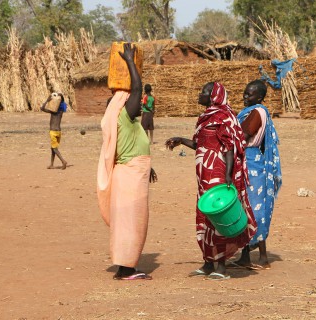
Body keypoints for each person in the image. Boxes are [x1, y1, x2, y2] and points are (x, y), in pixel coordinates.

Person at [165, 82, 257, 280]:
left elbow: (230, 148)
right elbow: (199, 144)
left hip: (217, 173)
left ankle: (221, 267)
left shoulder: (224, 117)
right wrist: (181, 140)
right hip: (203, 177)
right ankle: (208, 263)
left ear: (214, 95)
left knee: (218, 219)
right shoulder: (206, 118)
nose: (200, 94)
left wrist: (227, 176)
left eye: (204, 91)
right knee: (205, 219)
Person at [97, 43, 157, 281]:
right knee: (132, 222)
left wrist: (149, 166)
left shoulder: (122, 121)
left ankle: (124, 266)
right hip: (131, 175)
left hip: (131, 172)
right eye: (134, 101)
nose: (139, 103)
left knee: (126, 221)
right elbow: (137, 88)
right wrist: (131, 61)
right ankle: (127, 270)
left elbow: (133, 144)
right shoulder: (125, 114)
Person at [231, 79, 282, 270]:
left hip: (252, 164)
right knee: (246, 208)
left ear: (260, 97)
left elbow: (244, 134)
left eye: (249, 94)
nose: (245, 97)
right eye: (244, 93)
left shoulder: (258, 112)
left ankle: (262, 257)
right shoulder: (249, 112)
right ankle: (245, 256)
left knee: (255, 209)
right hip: (246, 161)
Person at [41, 93, 68, 170]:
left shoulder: (52, 111)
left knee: (55, 149)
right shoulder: (61, 112)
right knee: (53, 148)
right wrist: (61, 97)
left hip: (53, 131)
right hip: (59, 131)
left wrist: (47, 100)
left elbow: (42, 108)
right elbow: (63, 103)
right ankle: (51, 164)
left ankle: (63, 161)